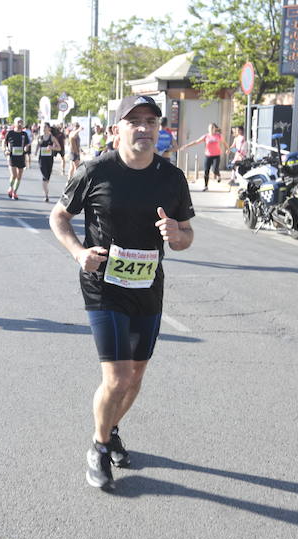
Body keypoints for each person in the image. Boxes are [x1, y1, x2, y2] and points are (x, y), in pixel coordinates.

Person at [48, 95, 194, 492]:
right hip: (103, 286)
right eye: (134, 121)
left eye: (151, 120)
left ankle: (109, 428)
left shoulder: (171, 177)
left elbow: (186, 236)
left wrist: (176, 235)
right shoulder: (95, 171)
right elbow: (58, 216)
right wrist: (79, 253)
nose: (144, 127)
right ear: (116, 129)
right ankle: (98, 447)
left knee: (136, 375)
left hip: (147, 286)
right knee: (117, 377)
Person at [180, 123, 224, 191]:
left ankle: (218, 175)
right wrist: (186, 146)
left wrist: (228, 149)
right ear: (208, 129)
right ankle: (206, 186)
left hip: (216, 155)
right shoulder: (206, 136)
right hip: (208, 155)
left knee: (215, 169)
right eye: (210, 128)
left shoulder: (218, 136)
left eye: (212, 128)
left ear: (215, 129)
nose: (211, 129)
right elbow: (196, 142)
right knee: (206, 171)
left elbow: (224, 143)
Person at [36, 122, 62, 202]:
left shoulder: (52, 138)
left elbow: (59, 148)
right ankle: (46, 195)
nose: (43, 128)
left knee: (47, 178)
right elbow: (38, 145)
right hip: (42, 160)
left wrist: (51, 147)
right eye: (42, 127)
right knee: (44, 177)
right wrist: (35, 152)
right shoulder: (40, 137)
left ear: (49, 128)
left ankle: (45, 191)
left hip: (49, 160)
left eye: (45, 127)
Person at [3, 117, 28, 199]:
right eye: (18, 122)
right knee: (14, 175)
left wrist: (26, 148)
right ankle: (10, 188)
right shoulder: (10, 133)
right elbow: (5, 143)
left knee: (19, 176)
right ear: (14, 124)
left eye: (21, 122)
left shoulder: (24, 134)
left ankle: (15, 192)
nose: (20, 124)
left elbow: (27, 144)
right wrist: (6, 150)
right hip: (12, 157)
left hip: (21, 157)